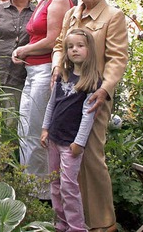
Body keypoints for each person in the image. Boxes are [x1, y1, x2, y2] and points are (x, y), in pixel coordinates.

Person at [52, 0, 128, 231]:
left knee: (91, 157)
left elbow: (117, 58)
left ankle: (103, 222)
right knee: (67, 156)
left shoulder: (113, 16)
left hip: (93, 98)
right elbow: (60, 45)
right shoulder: (71, 13)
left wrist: (104, 89)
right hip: (66, 96)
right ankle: (74, 219)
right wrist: (55, 68)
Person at [12, 0, 73, 200]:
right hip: (33, 72)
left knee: (37, 131)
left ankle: (44, 194)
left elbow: (53, 40)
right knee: (25, 128)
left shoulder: (59, 1)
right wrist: (24, 52)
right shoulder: (43, 1)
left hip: (47, 70)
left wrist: (23, 50)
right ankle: (29, 185)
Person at [41, 28, 101, 232]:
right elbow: (51, 105)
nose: (75, 50)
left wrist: (79, 142)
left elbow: (88, 116)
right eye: (70, 47)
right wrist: (45, 128)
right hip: (54, 139)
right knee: (54, 184)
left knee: (68, 186)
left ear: (90, 49)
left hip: (70, 144)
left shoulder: (92, 82)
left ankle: (76, 227)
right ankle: (61, 223)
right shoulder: (63, 75)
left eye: (80, 46)